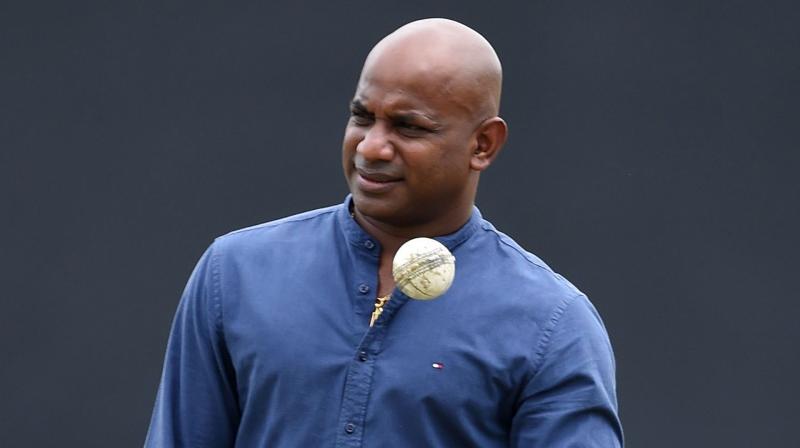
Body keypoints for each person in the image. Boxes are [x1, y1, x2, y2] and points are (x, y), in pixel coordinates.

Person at [145, 18, 623, 447]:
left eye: (408, 127)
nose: (371, 147)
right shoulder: (235, 273)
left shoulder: (551, 322)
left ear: (483, 144)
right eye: (362, 117)